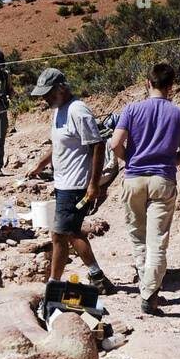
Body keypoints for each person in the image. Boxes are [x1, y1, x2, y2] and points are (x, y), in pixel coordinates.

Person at [111, 61, 180, 315]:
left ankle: (146, 284)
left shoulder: (132, 110)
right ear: (171, 86)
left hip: (134, 178)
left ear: (148, 82)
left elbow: (115, 144)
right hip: (163, 180)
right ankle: (149, 294)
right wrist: (168, 162)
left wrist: (131, 160)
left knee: (138, 235)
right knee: (157, 241)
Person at [27, 68, 116, 295]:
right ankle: (97, 277)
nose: (46, 99)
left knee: (61, 234)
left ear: (62, 88)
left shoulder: (78, 111)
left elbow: (97, 145)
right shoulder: (58, 111)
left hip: (76, 185)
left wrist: (94, 184)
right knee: (70, 232)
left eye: (49, 93)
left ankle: (54, 284)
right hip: (62, 183)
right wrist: (41, 164)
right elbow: (58, 145)